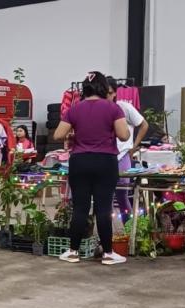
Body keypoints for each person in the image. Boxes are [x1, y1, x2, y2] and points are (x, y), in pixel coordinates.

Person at [53, 71, 131, 265]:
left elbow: (58, 135)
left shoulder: (74, 109)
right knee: (104, 208)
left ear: (84, 88)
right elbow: (124, 135)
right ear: (104, 87)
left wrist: (74, 134)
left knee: (80, 208)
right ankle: (108, 254)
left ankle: (73, 252)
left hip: (80, 161)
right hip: (105, 162)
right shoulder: (113, 108)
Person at [106, 77, 149, 222]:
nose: (107, 96)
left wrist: (133, 146)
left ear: (115, 93)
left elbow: (144, 125)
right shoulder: (100, 110)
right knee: (106, 198)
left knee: (122, 197)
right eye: (104, 93)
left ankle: (129, 229)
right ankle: (107, 232)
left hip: (122, 155)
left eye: (109, 93)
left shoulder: (124, 107)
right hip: (105, 156)